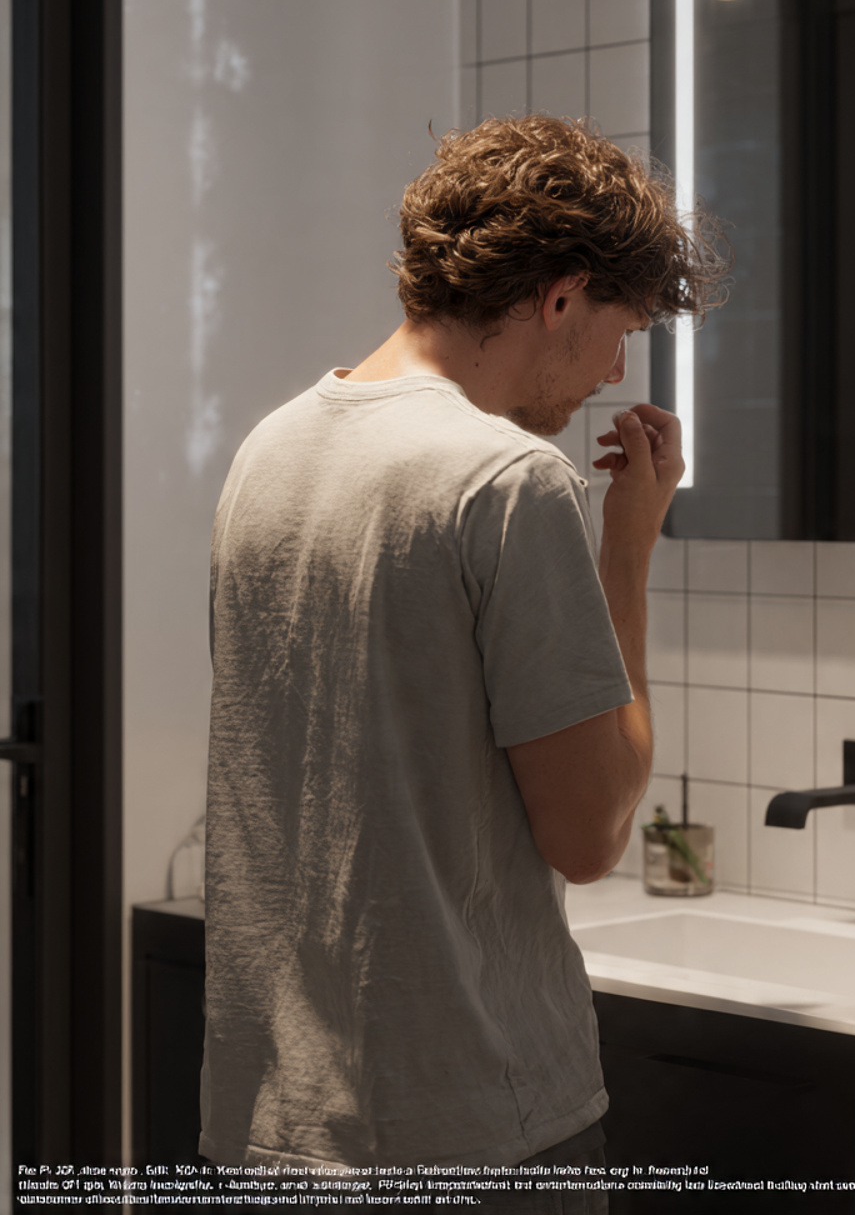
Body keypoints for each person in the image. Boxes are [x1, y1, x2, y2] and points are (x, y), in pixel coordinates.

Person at [196, 114, 729, 1212]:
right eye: (621, 332)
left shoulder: (270, 450)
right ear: (561, 297)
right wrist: (627, 551)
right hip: (471, 1130)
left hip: (271, 1129)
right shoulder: (507, 480)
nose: (615, 371)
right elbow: (590, 833)